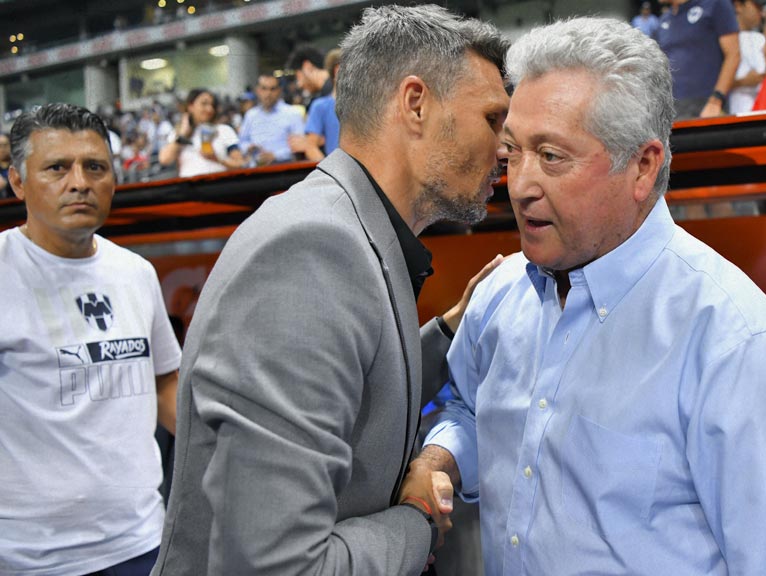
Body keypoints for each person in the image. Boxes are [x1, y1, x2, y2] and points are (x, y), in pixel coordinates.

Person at [415, 17, 766, 575]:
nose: (520, 184)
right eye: (512, 153)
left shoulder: (742, 350)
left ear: (643, 166)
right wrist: (443, 457)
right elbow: (467, 405)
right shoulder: (498, 298)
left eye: (552, 156)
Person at [151, 5, 510, 575]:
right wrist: (416, 516)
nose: (505, 148)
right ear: (416, 104)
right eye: (493, 119)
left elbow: (353, 385)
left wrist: (446, 331)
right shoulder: (314, 249)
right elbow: (279, 566)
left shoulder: (345, 226)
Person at [0, 103, 181, 576]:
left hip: (142, 543)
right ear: (18, 182)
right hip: (28, 559)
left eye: (94, 167)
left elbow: (166, 385)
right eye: (57, 167)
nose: (79, 182)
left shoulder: (136, 274)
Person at [654, 0, 740, 118]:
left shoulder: (715, 4)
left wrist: (717, 99)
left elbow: (733, 54)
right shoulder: (663, 20)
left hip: (707, 103)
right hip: (672, 108)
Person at [158, 88, 245, 178]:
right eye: (204, 104)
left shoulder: (224, 130)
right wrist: (183, 134)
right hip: (189, 187)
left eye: (212, 105)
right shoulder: (177, 134)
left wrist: (217, 159)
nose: (209, 109)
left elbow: (240, 163)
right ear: (190, 106)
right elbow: (164, 159)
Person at [237, 73, 305, 165]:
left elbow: (301, 145)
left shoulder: (292, 114)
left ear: (279, 91)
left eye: (272, 89)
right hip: (256, 171)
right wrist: (248, 147)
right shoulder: (250, 115)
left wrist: (276, 155)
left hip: (284, 170)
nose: (268, 93)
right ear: (258, 90)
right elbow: (242, 142)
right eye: (264, 88)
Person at [299, 47, 343, 162]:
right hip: (337, 171)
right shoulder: (320, 106)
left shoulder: (365, 104)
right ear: (337, 70)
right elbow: (311, 147)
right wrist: (332, 173)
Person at [729, 0, 766, 114]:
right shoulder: (722, 40)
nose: (761, 12)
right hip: (731, 112)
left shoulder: (762, 38)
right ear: (738, 5)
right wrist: (742, 82)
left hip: (763, 110)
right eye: (757, 7)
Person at [0, 132, 12, 198]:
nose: (2, 149)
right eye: (0, 145)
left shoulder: (17, 166)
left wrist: (6, 184)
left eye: (5, 145)